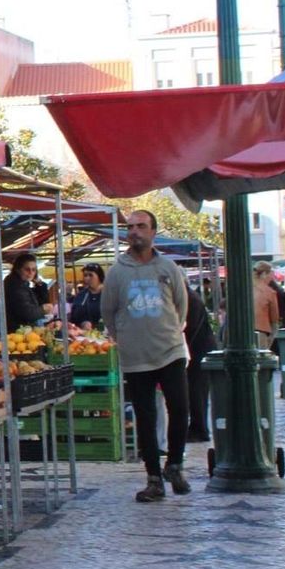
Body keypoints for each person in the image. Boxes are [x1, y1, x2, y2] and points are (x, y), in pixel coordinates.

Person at [103, 208, 191, 502]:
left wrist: (168, 331)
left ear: (153, 231)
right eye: (130, 227)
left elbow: (181, 307)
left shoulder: (168, 268)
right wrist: (125, 337)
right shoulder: (117, 272)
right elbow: (108, 312)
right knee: (145, 416)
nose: (135, 231)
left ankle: (175, 464)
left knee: (180, 408)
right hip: (135, 356)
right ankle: (154, 477)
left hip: (170, 350)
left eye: (141, 226)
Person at [182, 283, 216, 444]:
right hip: (197, 350)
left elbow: (189, 326)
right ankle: (197, 427)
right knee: (196, 391)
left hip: (198, 351)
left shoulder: (190, 299)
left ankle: (200, 429)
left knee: (197, 391)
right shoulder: (190, 297)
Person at [1, 252, 52, 329]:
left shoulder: (23, 285)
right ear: (18, 270)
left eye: (34, 270)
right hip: (18, 332)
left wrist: (40, 284)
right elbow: (27, 313)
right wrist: (43, 309)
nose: (31, 273)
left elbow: (42, 300)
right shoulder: (16, 286)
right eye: (27, 269)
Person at [252, 260, 281, 351]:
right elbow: (274, 320)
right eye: (271, 274)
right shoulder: (269, 292)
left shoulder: (243, 288)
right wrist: (271, 339)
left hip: (239, 336)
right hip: (261, 333)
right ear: (264, 274)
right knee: (261, 362)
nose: (272, 277)